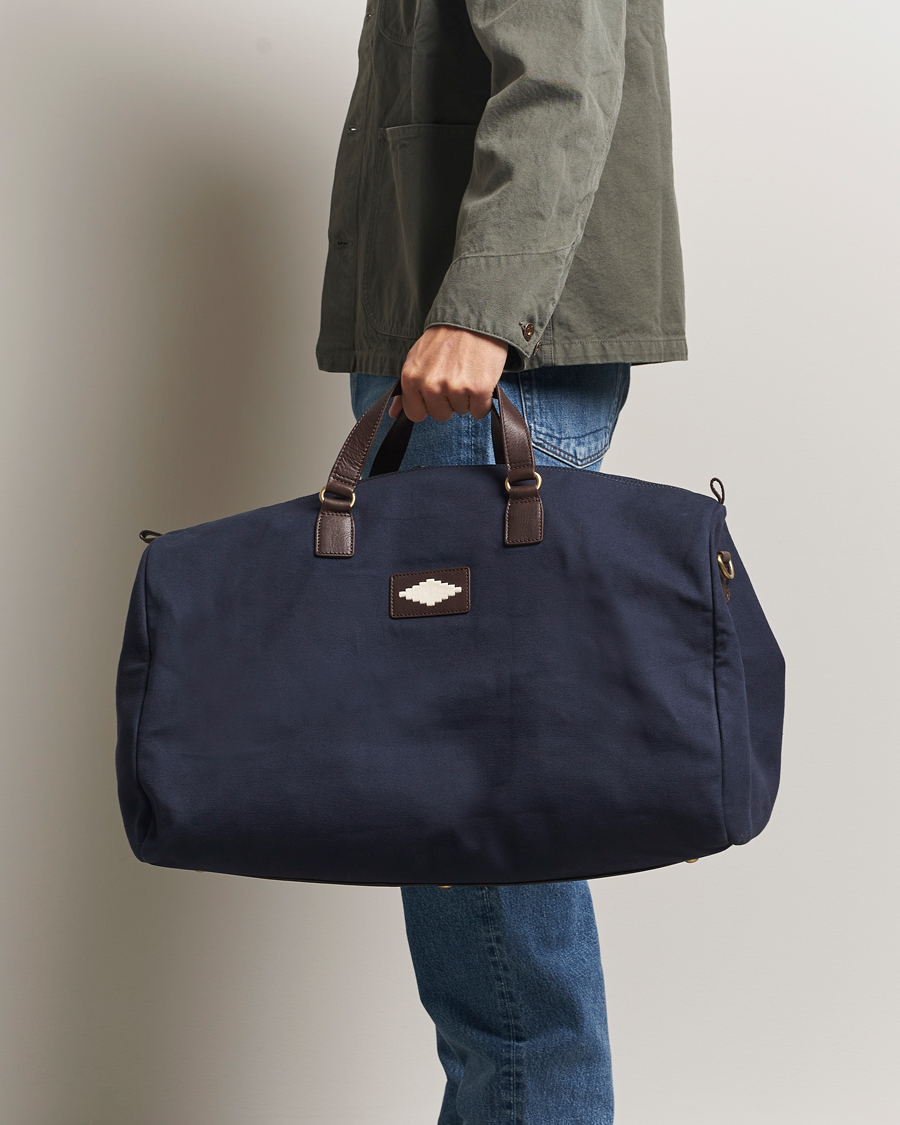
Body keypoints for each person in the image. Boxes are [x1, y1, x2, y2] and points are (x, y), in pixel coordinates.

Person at [316, 2, 685, 1121]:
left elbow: (563, 76)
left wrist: (483, 311)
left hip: (486, 348)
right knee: (456, 785)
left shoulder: (483, 329)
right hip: (441, 335)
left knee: (476, 781)